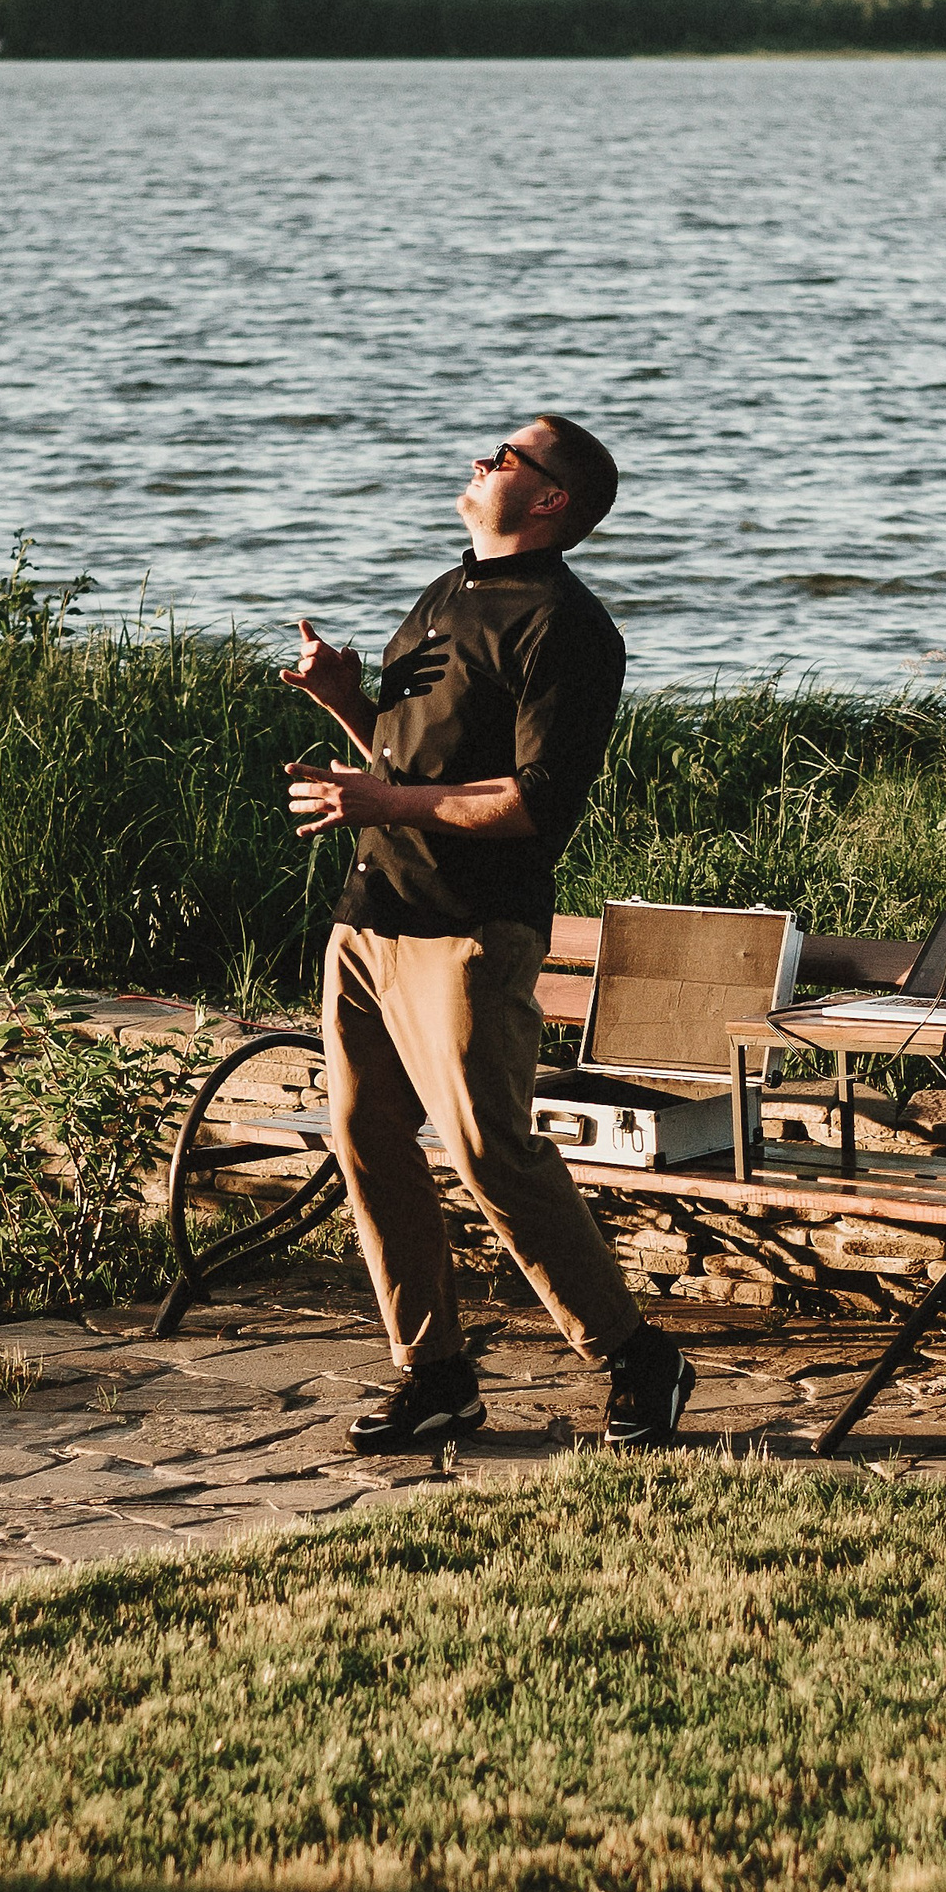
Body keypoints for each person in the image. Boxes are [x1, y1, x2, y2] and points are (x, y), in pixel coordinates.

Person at [279, 414, 694, 1454]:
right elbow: (407, 763)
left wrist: (384, 801)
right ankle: (434, 1375)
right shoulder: (445, 590)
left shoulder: (568, 626)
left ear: (551, 496)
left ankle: (637, 1355)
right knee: (366, 1139)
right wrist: (347, 707)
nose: (480, 458)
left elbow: (531, 804)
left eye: (505, 454)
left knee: (486, 1148)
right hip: (373, 915)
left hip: (471, 930)